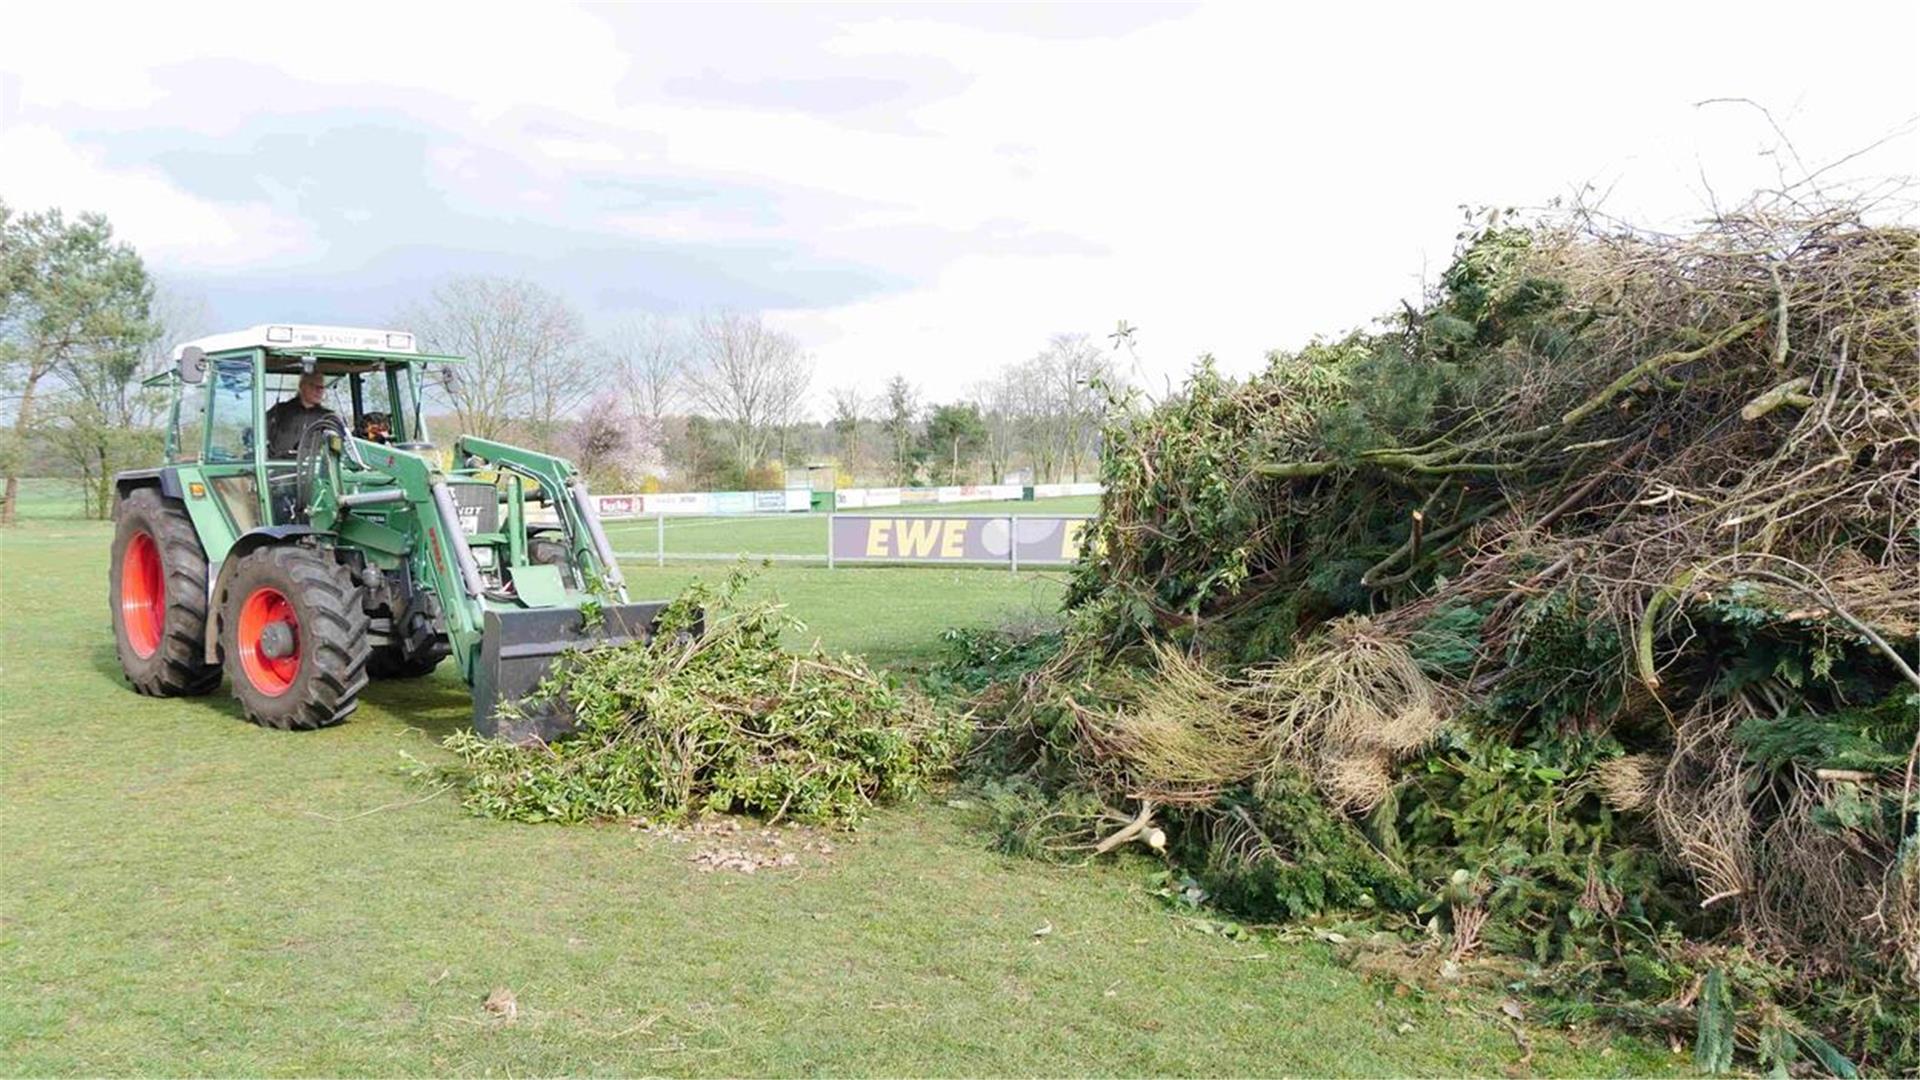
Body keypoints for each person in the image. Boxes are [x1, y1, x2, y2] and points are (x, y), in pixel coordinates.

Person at [265, 372, 338, 459]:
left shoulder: (329, 418)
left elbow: (336, 449)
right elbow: (259, 436)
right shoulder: (280, 411)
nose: (319, 391)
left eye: (322, 387)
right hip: (280, 468)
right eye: (314, 386)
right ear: (301, 386)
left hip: (315, 470)